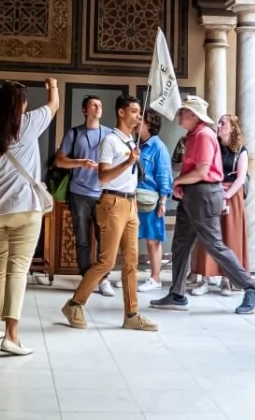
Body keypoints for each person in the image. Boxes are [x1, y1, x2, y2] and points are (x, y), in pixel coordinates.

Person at [150, 95, 255, 314]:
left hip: (203, 194)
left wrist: (178, 181)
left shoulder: (203, 135)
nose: (179, 116)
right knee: (180, 245)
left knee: (215, 246)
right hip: (193, 194)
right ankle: (176, 294)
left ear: (193, 115)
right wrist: (182, 185)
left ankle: (252, 287)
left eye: (183, 112)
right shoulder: (194, 135)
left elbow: (203, 171)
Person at [0, 79, 59, 356]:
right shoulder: (29, 122)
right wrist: (52, 85)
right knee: (18, 270)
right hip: (25, 207)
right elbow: (54, 105)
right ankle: (11, 335)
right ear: (22, 104)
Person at [61, 95, 158, 331]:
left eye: (139, 111)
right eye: (134, 111)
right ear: (121, 113)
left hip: (130, 204)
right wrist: (127, 163)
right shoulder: (110, 141)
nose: (138, 115)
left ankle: (132, 314)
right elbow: (103, 177)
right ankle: (75, 304)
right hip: (112, 203)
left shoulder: (129, 142)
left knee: (131, 263)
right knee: (106, 262)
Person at [54, 96, 115, 298]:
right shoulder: (74, 133)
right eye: (93, 105)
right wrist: (80, 163)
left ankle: (103, 279)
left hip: (103, 192)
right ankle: (86, 277)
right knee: (82, 238)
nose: (97, 108)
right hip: (79, 192)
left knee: (104, 239)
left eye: (100, 105)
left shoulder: (109, 134)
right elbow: (60, 162)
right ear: (84, 110)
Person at [192, 114, 249, 296]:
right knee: (208, 235)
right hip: (212, 191)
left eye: (223, 123)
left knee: (230, 236)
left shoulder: (241, 150)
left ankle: (227, 280)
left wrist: (226, 195)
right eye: (219, 122)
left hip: (232, 194)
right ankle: (206, 279)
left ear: (232, 128)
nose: (219, 126)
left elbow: (240, 178)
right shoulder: (213, 145)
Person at [137, 110, 172, 292]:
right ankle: (131, 275)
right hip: (135, 197)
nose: (136, 122)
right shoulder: (137, 145)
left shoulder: (158, 147)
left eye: (140, 119)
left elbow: (164, 176)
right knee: (132, 237)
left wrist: (163, 202)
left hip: (151, 200)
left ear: (149, 124)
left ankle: (155, 277)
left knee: (153, 240)